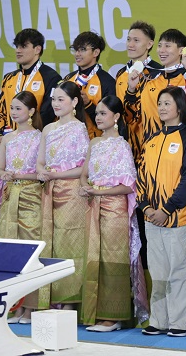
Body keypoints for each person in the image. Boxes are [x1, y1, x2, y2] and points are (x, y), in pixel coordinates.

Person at [79, 96, 149, 331]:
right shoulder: (94, 143)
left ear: (116, 117)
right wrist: (85, 187)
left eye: (103, 113)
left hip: (115, 209)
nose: (98, 117)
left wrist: (99, 192)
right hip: (93, 206)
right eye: (97, 113)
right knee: (94, 258)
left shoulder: (122, 145)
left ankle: (114, 316)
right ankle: (95, 312)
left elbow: (129, 186)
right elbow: (84, 174)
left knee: (113, 260)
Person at [136, 86, 186, 338]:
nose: (162, 108)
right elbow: (141, 177)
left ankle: (182, 323)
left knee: (178, 271)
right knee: (158, 272)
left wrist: (166, 209)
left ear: (180, 108)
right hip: (151, 218)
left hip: (177, 218)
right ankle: (159, 320)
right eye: (160, 103)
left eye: (167, 103)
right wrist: (147, 207)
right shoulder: (151, 139)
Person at [36, 81, 90, 313]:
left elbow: (84, 168)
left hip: (72, 194)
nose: (56, 104)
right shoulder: (48, 129)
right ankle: (51, 298)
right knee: (51, 243)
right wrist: (42, 172)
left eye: (61, 99)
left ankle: (70, 301)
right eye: (54, 99)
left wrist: (56, 175)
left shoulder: (79, 129)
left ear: (75, 102)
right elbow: (40, 162)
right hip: (49, 192)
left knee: (70, 244)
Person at [0, 90, 43, 324]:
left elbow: (41, 172)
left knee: (30, 250)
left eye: (18, 108)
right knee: (11, 251)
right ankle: (15, 306)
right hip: (10, 197)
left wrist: (21, 176)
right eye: (12, 108)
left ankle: (32, 307)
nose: (13, 113)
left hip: (31, 197)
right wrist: (4, 174)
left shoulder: (40, 137)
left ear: (31, 111)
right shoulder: (7, 138)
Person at [124, 28, 186, 154]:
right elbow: (131, 117)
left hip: (177, 149)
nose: (161, 50)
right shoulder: (149, 80)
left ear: (181, 50)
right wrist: (131, 90)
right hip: (149, 150)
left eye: (167, 46)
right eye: (159, 46)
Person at [0, 29, 61, 141]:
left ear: (37, 49)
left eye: (23, 46)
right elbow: (1, 110)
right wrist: (0, 134)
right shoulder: (9, 78)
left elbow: (48, 113)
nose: (18, 50)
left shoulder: (51, 77)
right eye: (17, 46)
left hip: (36, 140)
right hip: (9, 139)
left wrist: (28, 136)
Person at [114, 20, 158, 160]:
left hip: (151, 144)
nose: (130, 44)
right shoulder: (121, 74)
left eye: (136, 40)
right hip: (124, 145)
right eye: (128, 39)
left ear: (149, 44)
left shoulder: (158, 73)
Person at [63, 31, 116, 139]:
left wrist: (88, 104)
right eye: (76, 49)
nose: (77, 54)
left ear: (96, 52)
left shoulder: (107, 81)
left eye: (82, 49)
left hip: (95, 141)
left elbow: (111, 120)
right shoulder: (68, 79)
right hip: (67, 140)